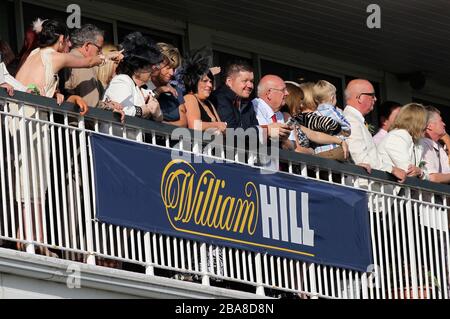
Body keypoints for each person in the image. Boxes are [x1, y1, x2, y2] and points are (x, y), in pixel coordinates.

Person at [255, 75, 348, 159]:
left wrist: (339, 141)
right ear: (269, 93)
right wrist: (312, 152)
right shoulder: (256, 107)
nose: (286, 93)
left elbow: (310, 136)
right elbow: (295, 148)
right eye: (283, 90)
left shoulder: (282, 116)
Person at [15, 19, 103, 107]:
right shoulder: (56, 57)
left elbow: (37, 80)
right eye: (67, 40)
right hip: (31, 112)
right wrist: (108, 57)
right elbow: (89, 62)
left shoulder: (34, 52)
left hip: (14, 110)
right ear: (61, 39)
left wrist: (55, 93)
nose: (69, 44)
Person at [343, 79, 406, 182]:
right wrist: (391, 169)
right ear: (359, 97)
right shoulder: (351, 120)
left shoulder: (355, 120)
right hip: (362, 188)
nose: (375, 99)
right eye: (372, 95)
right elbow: (360, 157)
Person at [210, 61, 290, 141]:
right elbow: (231, 133)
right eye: (245, 81)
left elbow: (254, 138)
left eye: (251, 81)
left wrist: (278, 137)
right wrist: (267, 130)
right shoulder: (219, 98)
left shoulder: (247, 103)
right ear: (229, 82)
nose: (250, 85)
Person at [61, 25, 124, 122]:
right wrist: (110, 107)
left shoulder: (70, 58)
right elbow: (91, 103)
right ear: (87, 46)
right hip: (80, 127)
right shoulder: (83, 66)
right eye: (99, 49)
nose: (100, 53)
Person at [103, 32, 163, 122]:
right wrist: (145, 110)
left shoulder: (142, 89)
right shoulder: (122, 80)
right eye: (148, 66)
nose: (153, 68)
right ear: (136, 68)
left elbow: (158, 119)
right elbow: (122, 110)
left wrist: (157, 113)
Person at [377, 103, 429, 180]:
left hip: (403, 189)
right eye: (425, 122)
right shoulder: (398, 136)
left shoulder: (417, 141)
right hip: (387, 188)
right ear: (417, 122)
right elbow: (408, 170)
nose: (427, 126)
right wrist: (420, 172)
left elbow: (426, 174)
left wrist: (420, 172)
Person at [182, 48, 226, 133]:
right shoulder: (190, 98)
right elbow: (195, 126)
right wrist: (216, 125)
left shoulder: (209, 103)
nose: (210, 85)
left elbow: (221, 126)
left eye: (211, 81)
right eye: (205, 81)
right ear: (194, 82)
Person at [148, 42, 186, 127]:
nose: (172, 73)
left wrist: (164, 126)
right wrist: (159, 91)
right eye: (168, 68)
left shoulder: (176, 90)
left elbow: (183, 123)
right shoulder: (144, 86)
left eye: (174, 69)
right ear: (157, 65)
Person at [312, 80, 351, 160]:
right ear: (332, 98)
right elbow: (347, 126)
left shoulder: (313, 114)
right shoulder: (333, 111)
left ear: (316, 100)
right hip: (335, 150)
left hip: (319, 152)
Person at [420, 106, 450, 183]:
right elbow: (433, 177)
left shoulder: (438, 146)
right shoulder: (423, 144)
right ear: (429, 126)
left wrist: (447, 139)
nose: (444, 124)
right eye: (441, 121)